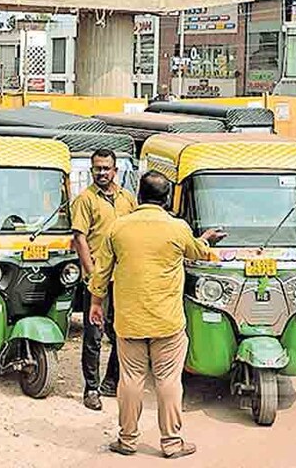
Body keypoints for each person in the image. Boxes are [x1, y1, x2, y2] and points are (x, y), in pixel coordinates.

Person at [89, 171, 226, 459]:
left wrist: (95, 303)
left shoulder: (118, 228)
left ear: (139, 196)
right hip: (168, 322)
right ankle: (172, 443)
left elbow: (100, 272)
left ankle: (127, 440)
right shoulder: (177, 228)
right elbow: (198, 252)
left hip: (129, 320)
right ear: (166, 199)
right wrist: (206, 239)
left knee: (130, 379)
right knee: (167, 380)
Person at [70, 149, 137, 411]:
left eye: (106, 168)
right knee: (94, 336)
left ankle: (111, 381)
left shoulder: (127, 200)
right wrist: (92, 275)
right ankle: (91, 389)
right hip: (97, 281)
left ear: (115, 170)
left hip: (123, 279)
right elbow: (80, 238)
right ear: (91, 171)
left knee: (123, 333)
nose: (102, 172)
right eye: (97, 168)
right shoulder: (85, 200)